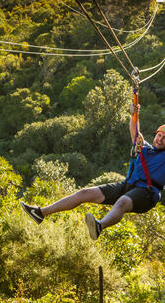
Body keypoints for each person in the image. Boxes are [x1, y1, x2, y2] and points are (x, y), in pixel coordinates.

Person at [20, 102, 165, 240]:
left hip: (147, 192)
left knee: (122, 202)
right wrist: (134, 114)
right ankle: (40, 213)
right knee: (85, 193)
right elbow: (135, 131)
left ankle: (99, 226)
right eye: (159, 135)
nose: (160, 139)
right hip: (127, 186)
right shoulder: (144, 148)